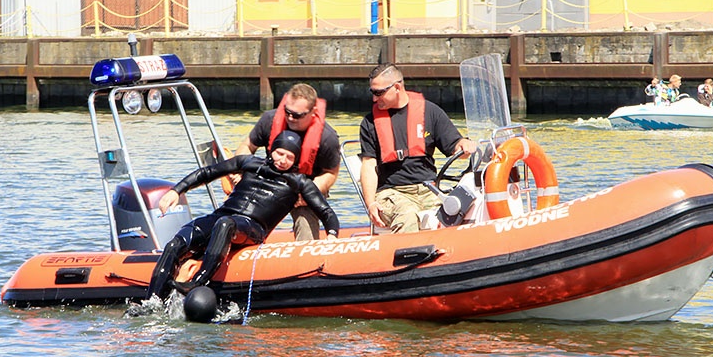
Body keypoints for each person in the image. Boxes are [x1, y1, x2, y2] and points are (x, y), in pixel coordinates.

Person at [147, 131, 339, 299]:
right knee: (175, 244)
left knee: (225, 224)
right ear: (271, 149)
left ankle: (197, 282)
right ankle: (152, 300)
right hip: (222, 216)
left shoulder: (300, 182)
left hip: (252, 227)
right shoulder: (248, 162)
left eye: (289, 157)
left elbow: (326, 212)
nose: (282, 160)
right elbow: (207, 173)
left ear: (296, 159)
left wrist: (332, 235)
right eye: (280, 153)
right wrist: (176, 190)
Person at [358, 62, 477, 233]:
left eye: (379, 93)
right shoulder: (369, 123)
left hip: (429, 189)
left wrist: (464, 145)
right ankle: (407, 256)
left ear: (397, 87)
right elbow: (368, 166)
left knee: (463, 209)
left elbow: (456, 146)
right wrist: (371, 204)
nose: (374, 99)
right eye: (372, 93)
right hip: (392, 193)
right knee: (408, 216)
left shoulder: (430, 112)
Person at [234, 83, 340, 241]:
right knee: (239, 213)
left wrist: (308, 193)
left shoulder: (327, 138)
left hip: (304, 188)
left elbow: (331, 173)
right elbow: (247, 146)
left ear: (312, 112)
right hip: (268, 181)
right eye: (287, 112)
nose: (290, 118)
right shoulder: (269, 120)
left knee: (306, 218)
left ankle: (305, 256)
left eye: (297, 115)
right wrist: (242, 172)